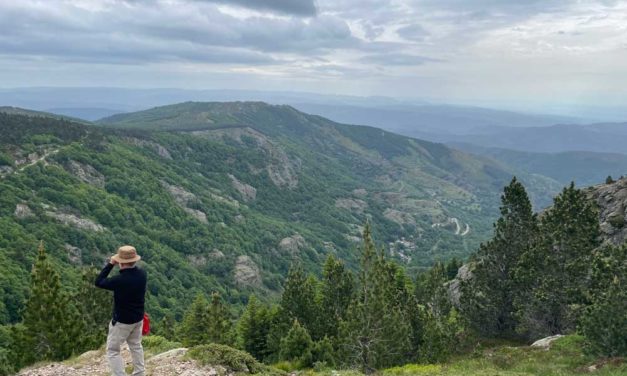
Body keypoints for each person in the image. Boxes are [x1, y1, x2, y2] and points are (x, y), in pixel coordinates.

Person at [95, 245, 147, 376]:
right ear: (135, 260)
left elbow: (99, 281)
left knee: (113, 350)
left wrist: (111, 264)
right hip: (138, 318)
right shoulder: (142, 274)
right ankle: (140, 373)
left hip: (122, 321)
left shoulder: (119, 280)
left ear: (120, 262)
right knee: (136, 345)